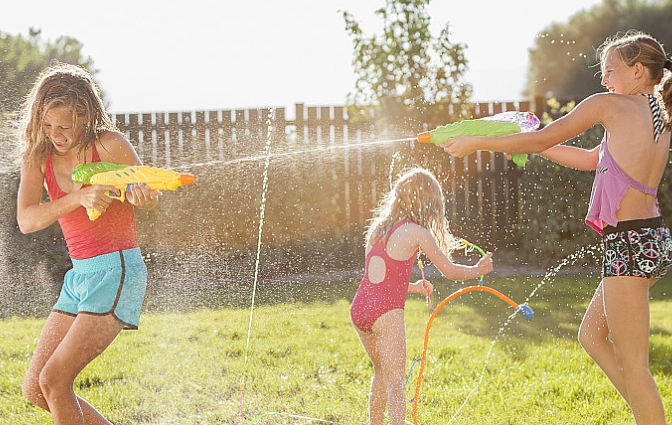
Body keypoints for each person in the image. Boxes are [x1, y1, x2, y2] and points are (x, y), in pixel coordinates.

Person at [443, 30, 672, 425]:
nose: (603, 80)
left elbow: (539, 141)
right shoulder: (658, 115)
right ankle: (644, 411)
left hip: (630, 243)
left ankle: (648, 415)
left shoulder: (610, 105)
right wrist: (527, 138)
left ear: (637, 71)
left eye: (610, 70)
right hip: (649, 239)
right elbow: (587, 158)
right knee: (591, 336)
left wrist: (477, 142)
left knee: (635, 365)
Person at [16, 62, 160, 425]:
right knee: (36, 387)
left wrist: (143, 197)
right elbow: (27, 219)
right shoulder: (39, 156)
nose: (55, 134)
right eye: (47, 125)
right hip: (79, 277)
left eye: (64, 126)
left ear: (85, 115)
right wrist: (78, 198)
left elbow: (149, 197)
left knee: (54, 380)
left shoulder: (110, 146)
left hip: (117, 270)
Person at [350, 167, 493, 425]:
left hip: (361, 307)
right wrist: (478, 270)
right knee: (395, 382)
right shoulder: (417, 232)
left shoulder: (377, 228)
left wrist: (414, 287)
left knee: (381, 372)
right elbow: (449, 271)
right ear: (428, 203)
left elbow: (377, 279)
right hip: (386, 312)